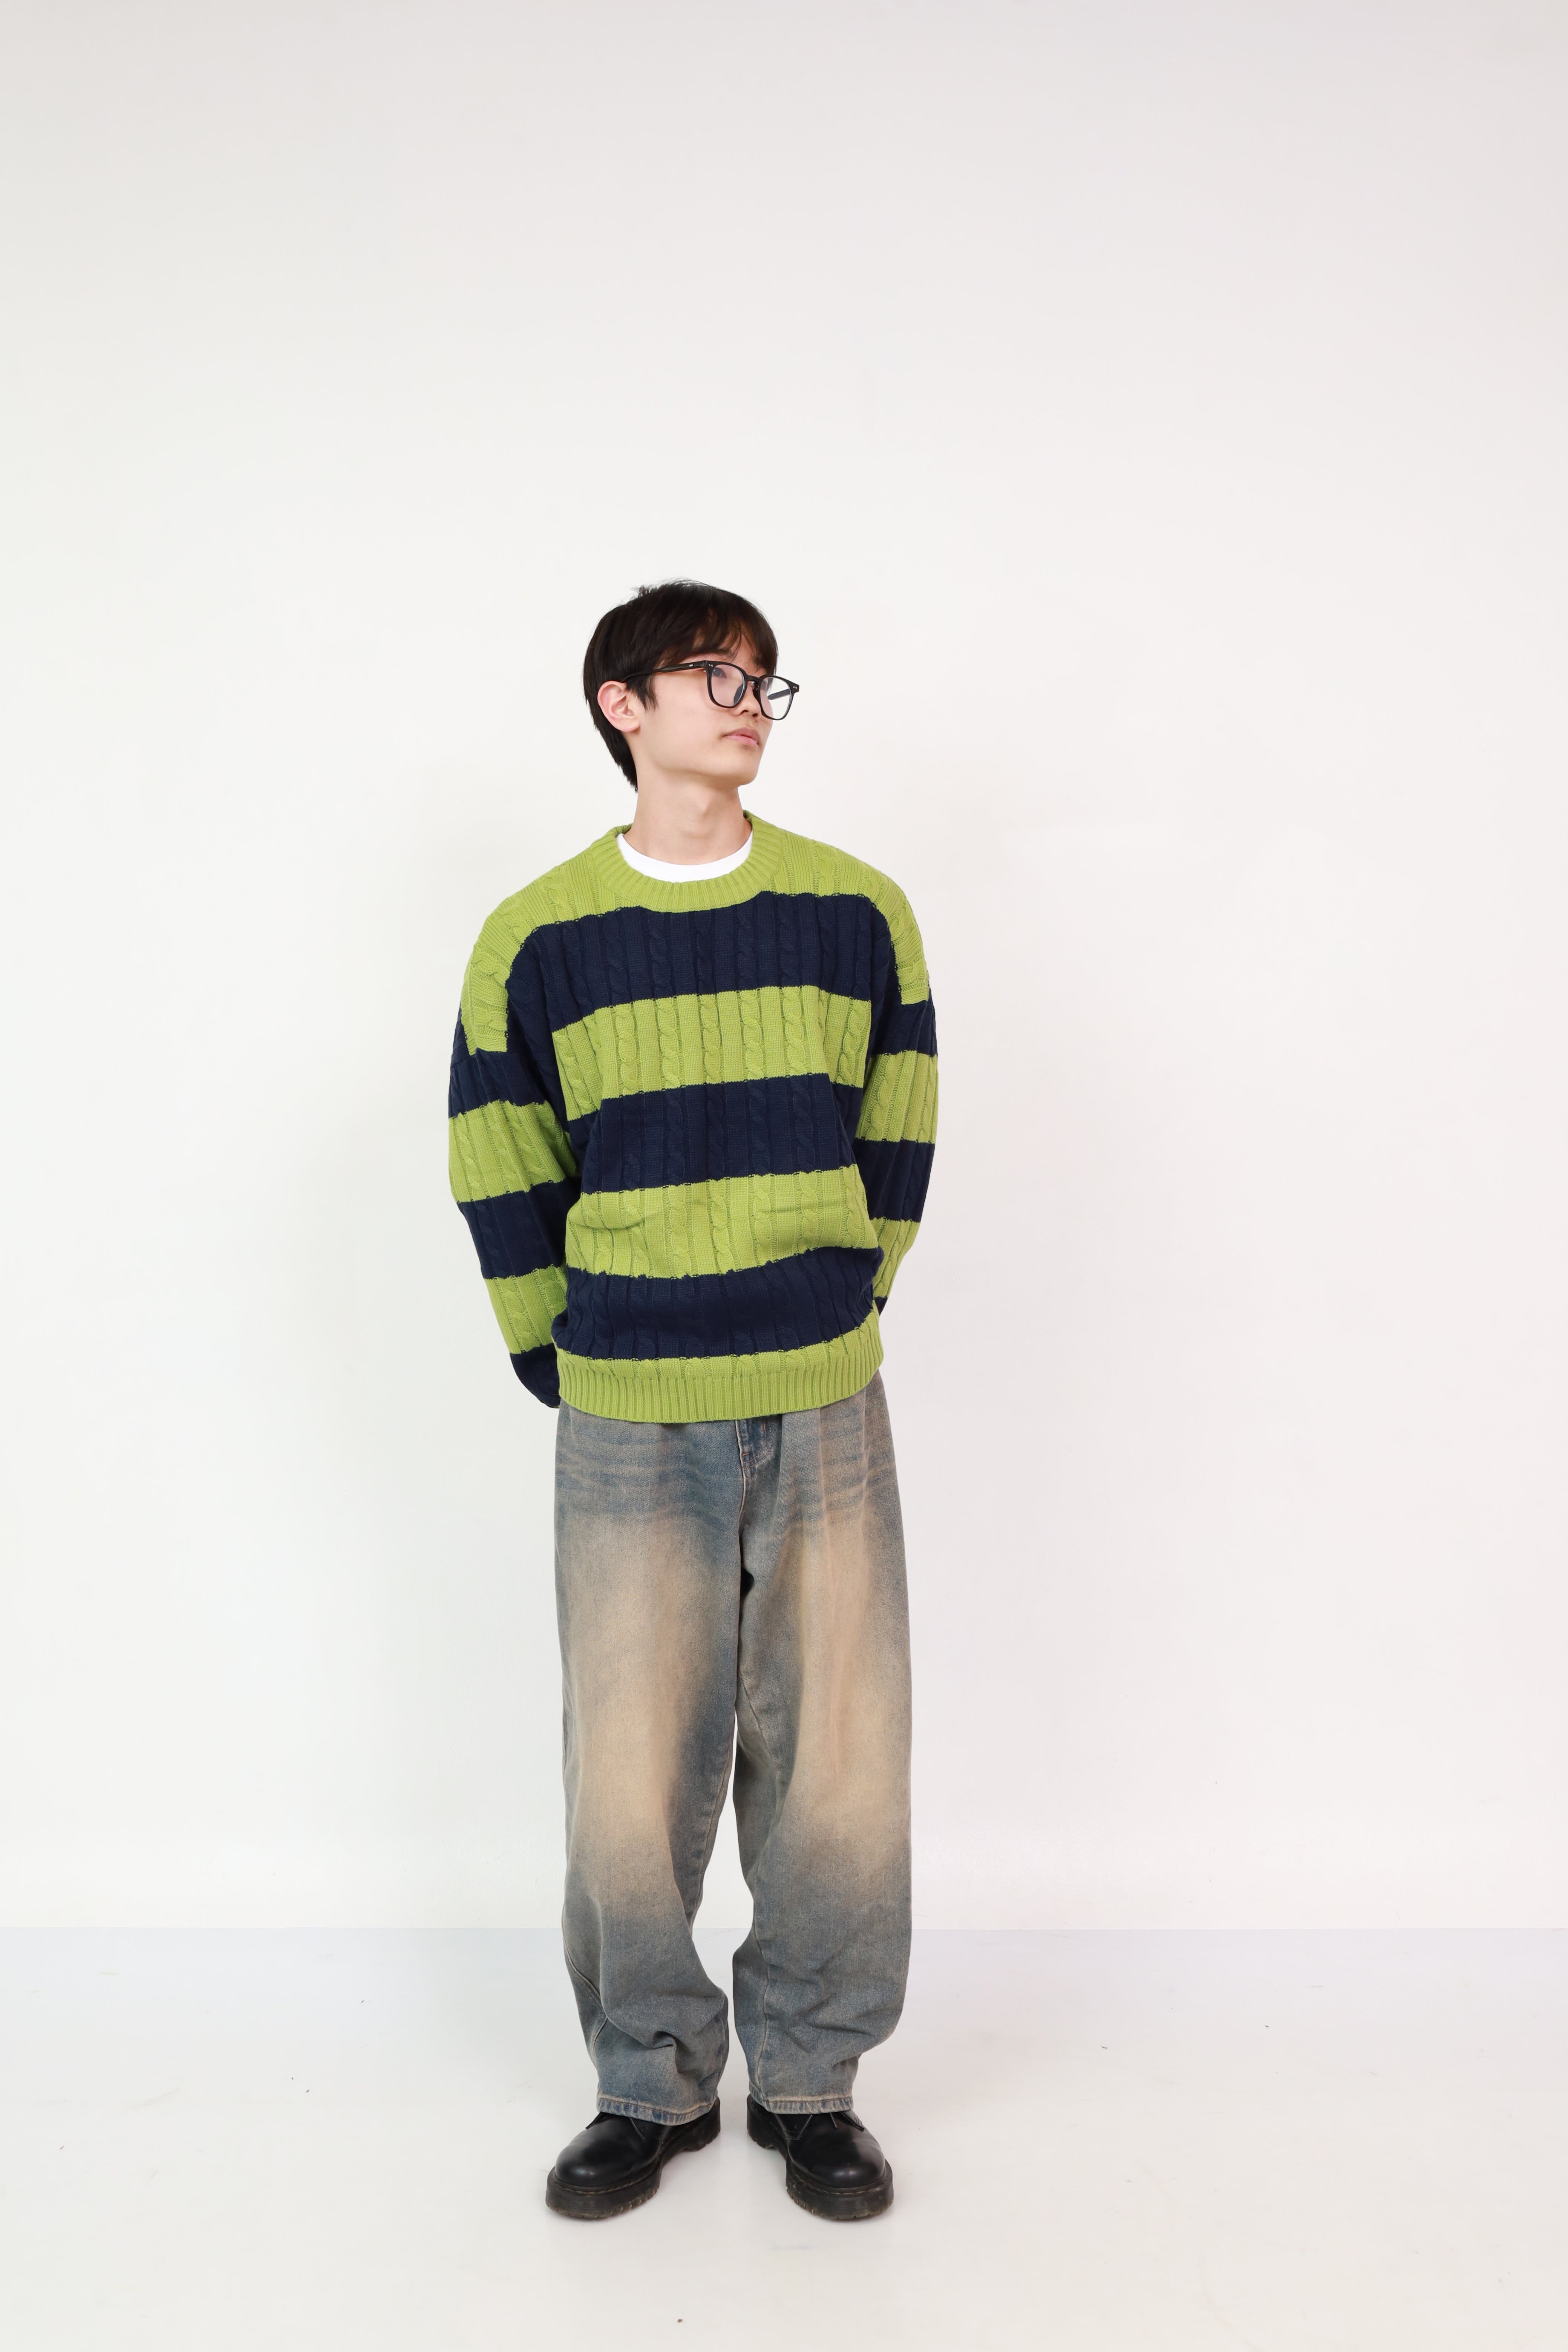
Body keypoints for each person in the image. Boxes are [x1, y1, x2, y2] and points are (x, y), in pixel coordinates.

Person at [447, 580, 937, 2221]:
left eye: (762, 682)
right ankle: (645, 2084)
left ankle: (811, 2082)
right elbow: (500, 1153)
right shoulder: (538, 937)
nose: (747, 705)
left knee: (840, 1756)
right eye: (711, 676)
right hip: (627, 1406)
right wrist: (563, 1353)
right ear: (622, 705)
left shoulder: (855, 912)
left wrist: (837, 1307)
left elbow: (900, 1128)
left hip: (821, 1396)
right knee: (628, 1766)